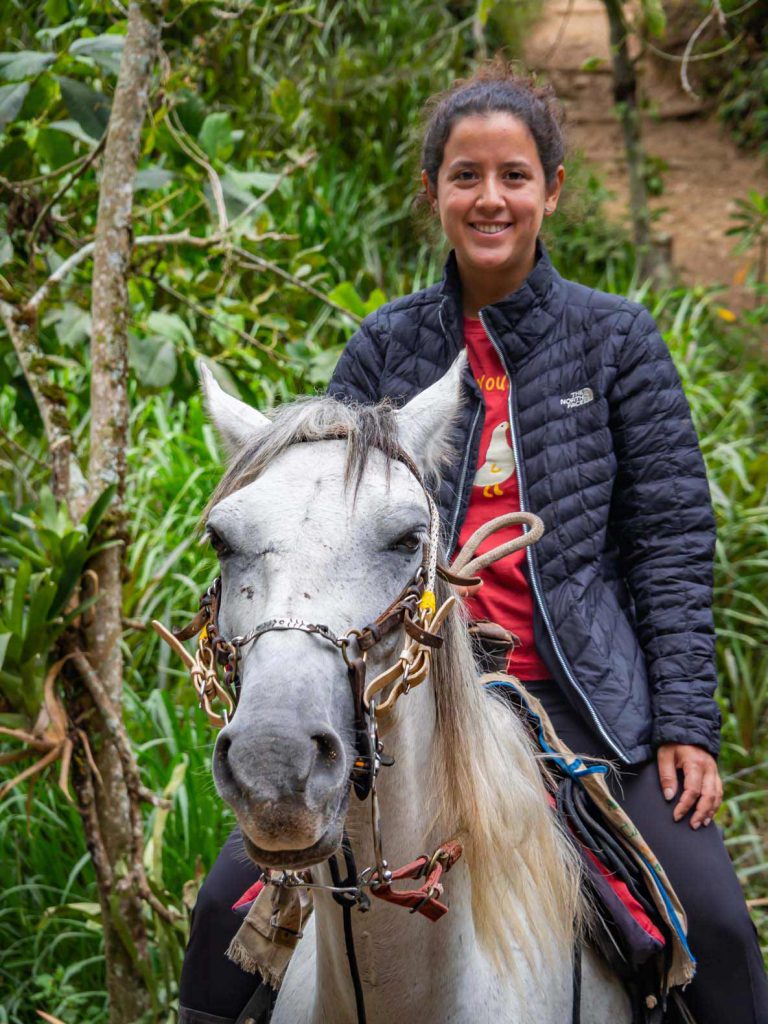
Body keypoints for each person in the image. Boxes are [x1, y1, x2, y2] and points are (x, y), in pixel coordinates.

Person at [179, 60, 768, 1024]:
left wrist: (686, 727)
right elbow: (325, 532)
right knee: (218, 921)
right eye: (465, 176)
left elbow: (669, 545)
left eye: (513, 175)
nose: (489, 198)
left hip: (580, 708)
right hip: (411, 699)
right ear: (433, 193)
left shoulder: (617, 341)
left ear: (552, 190)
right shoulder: (384, 347)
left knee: (719, 929)